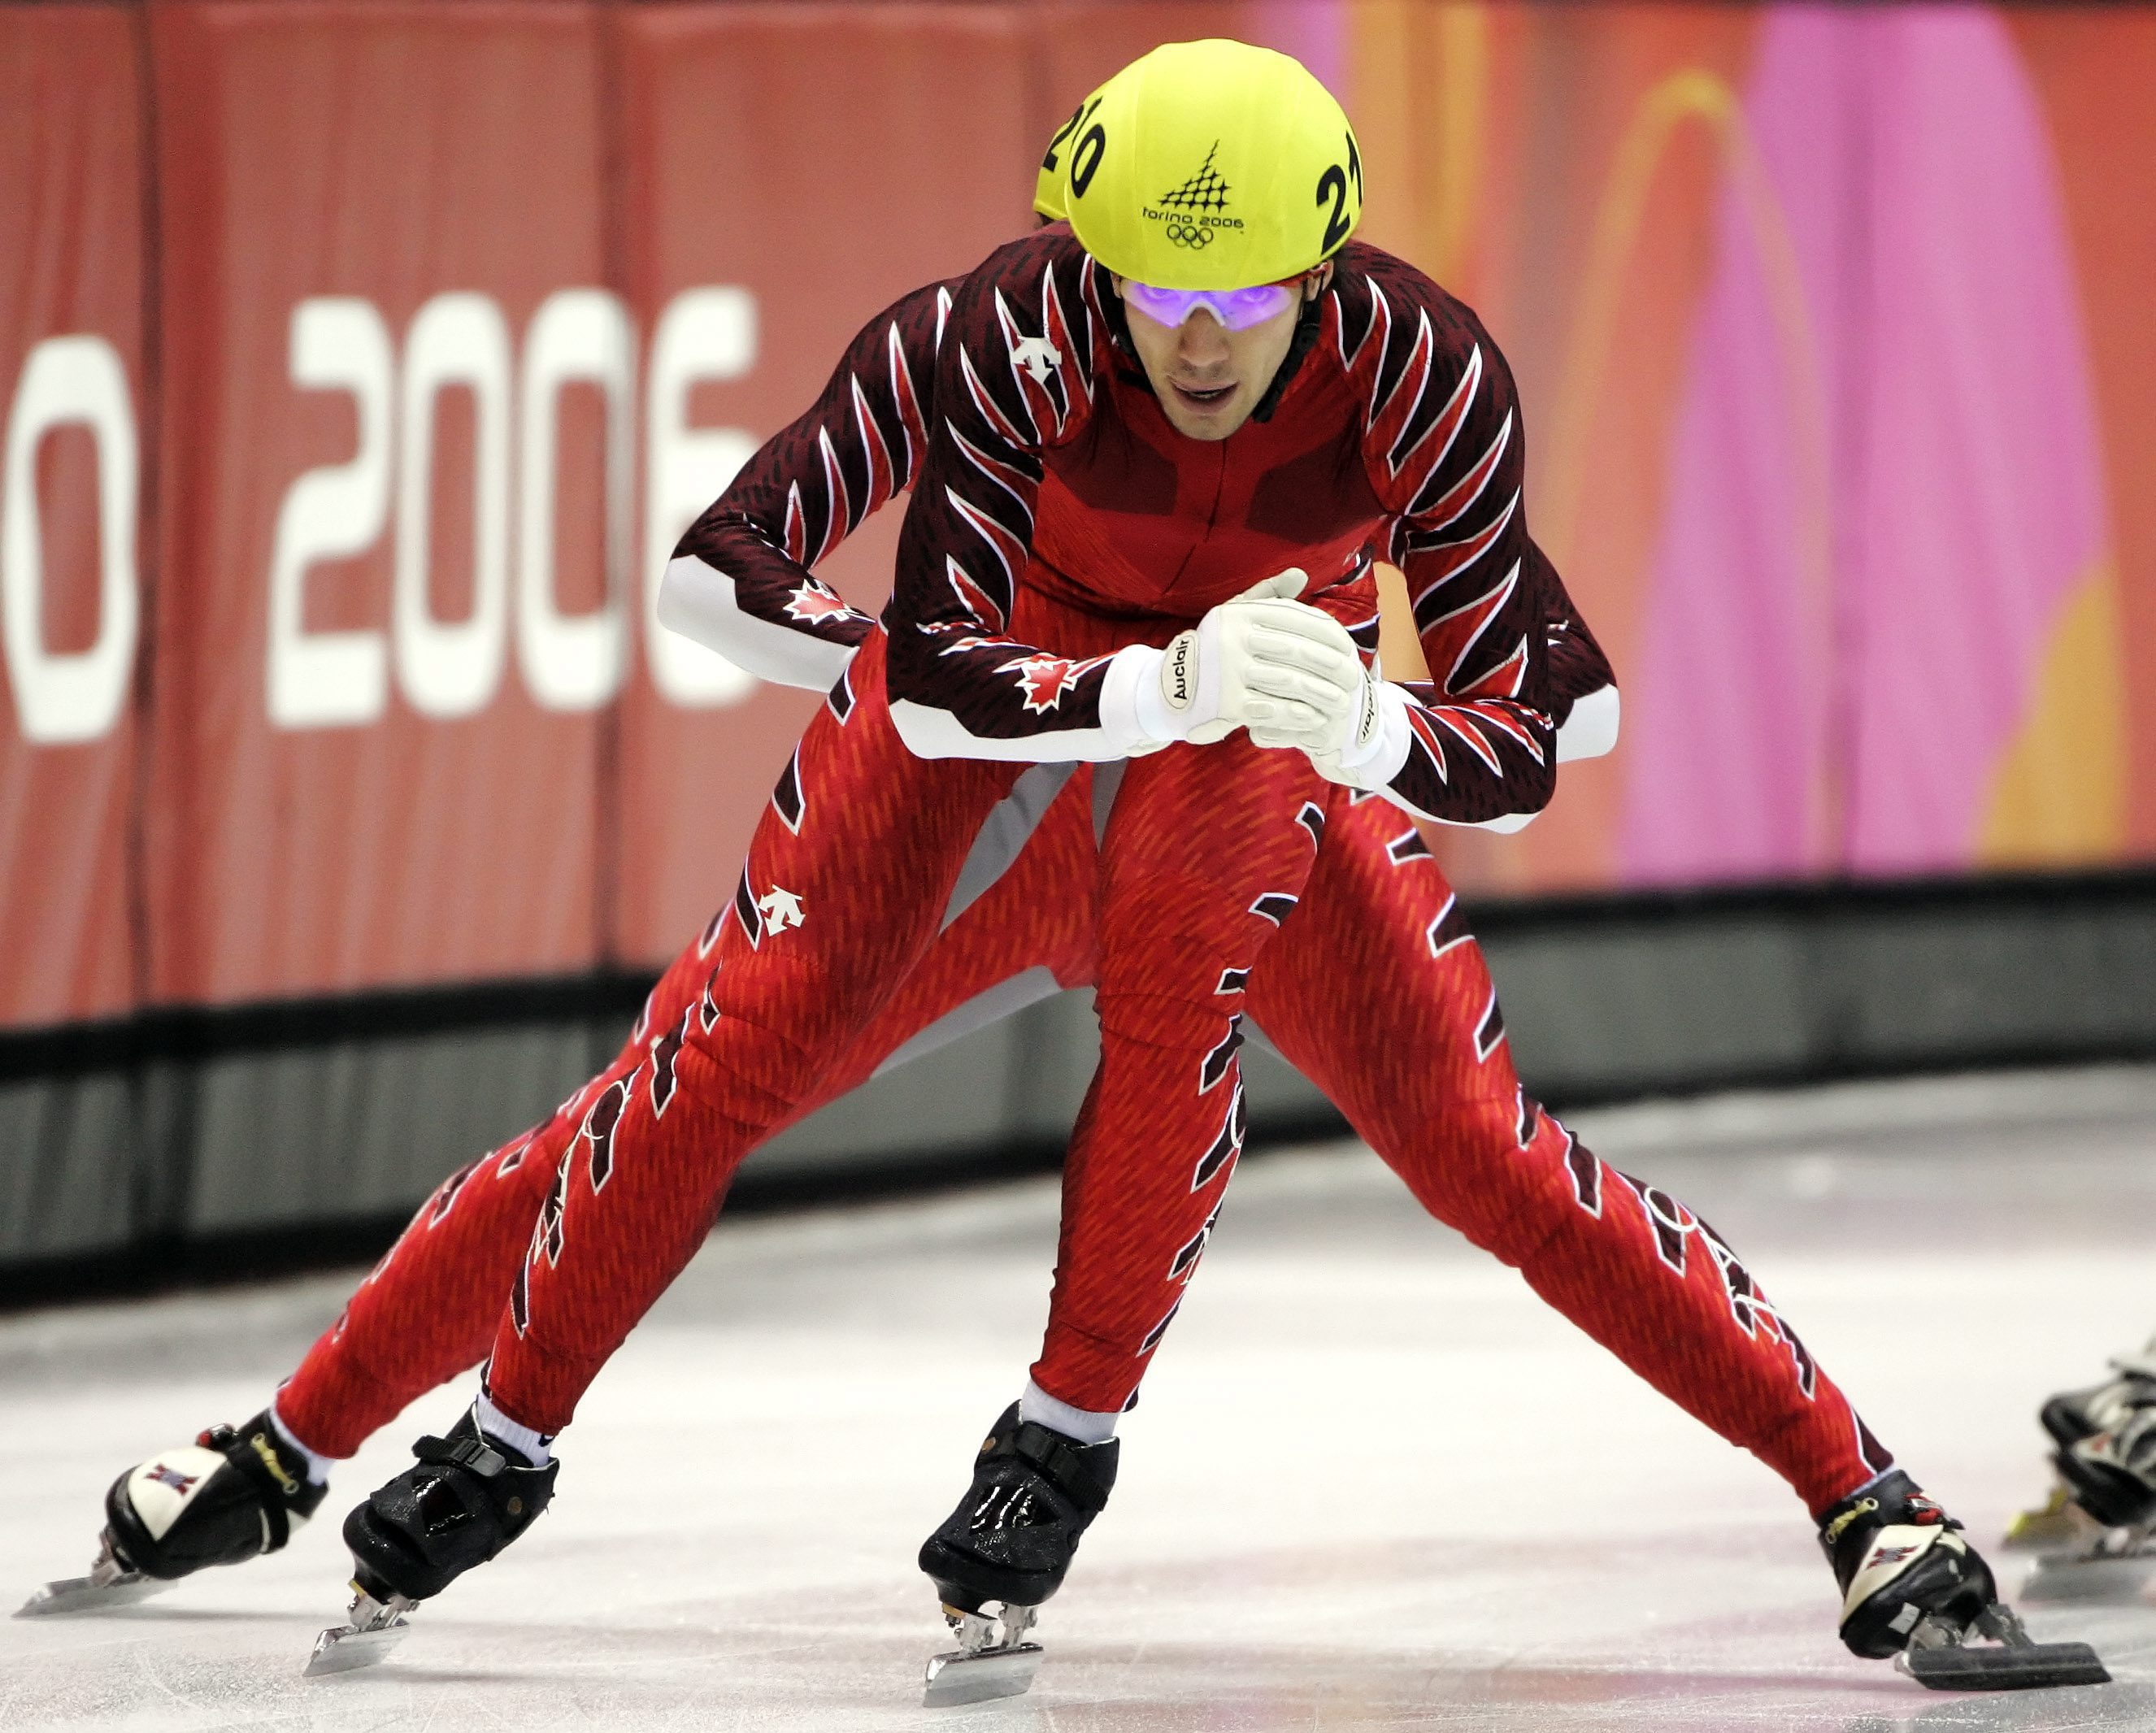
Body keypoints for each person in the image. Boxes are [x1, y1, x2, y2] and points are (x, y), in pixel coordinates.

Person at [41, 41, 2082, 1697]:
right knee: (687, 1079)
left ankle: (1860, 1500)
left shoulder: (1425, 371)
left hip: (1244, 772)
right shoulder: (999, 332)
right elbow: (805, 620)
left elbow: (1553, 724)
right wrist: (1098, 677)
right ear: (1082, 256)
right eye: (1154, 293)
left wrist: (1354, 721)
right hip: (983, 787)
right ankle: (298, 1442)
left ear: (1328, 273)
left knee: (1477, 1143)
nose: (1194, 340)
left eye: (1245, 301)